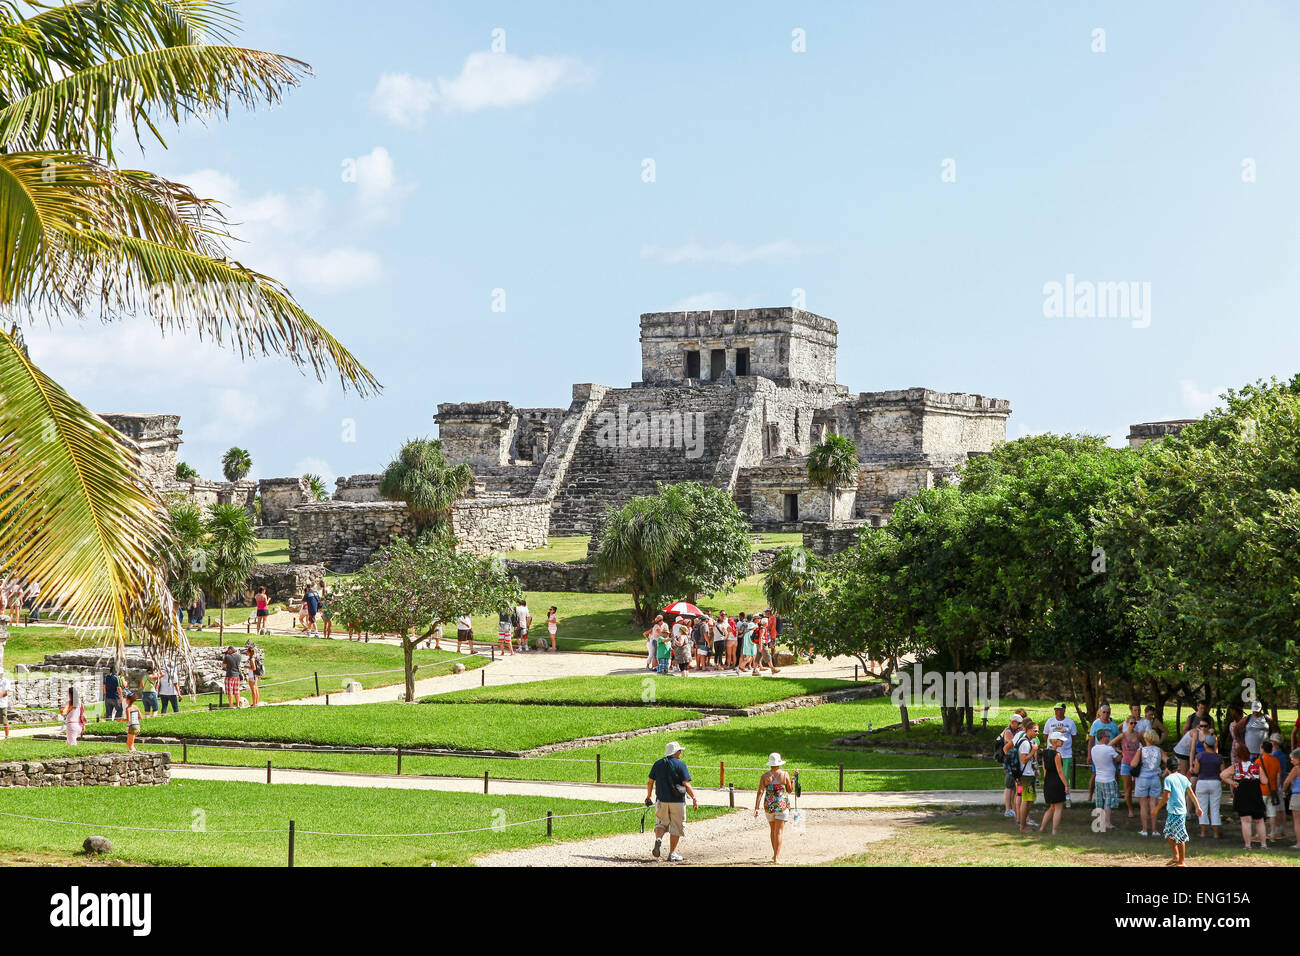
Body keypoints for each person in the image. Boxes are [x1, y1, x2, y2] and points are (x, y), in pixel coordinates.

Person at [645, 741, 697, 862]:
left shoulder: (657, 764)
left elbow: (650, 782)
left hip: (661, 801)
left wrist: (649, 796)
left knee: (660, 824)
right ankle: (672, 853)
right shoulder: (681, 765)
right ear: (675, 752)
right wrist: (694, 798)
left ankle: (659, 839)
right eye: (680, 750)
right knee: (676, 826)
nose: (681, 752)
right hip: (677, 801)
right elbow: (686, 784)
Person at [1154, 755, 1201, 867]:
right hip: (1173, 811)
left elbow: (1166, 797)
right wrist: (1197, 807)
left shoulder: (1168, 779)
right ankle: (1176, 857)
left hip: (1178, 812)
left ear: (1167, 767)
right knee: (1168, 833)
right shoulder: (1183, 778)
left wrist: (1156, 809)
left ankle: (1182, 861)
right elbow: (1191, 794)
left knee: (1180, 836)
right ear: (1178, 767)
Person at [1222, 742, 1267, 850]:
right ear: (1249, 754)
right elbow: (1265, 781)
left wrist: (1232, 782)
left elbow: (1222, 775)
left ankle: (1248, 845)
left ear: (1238, 755)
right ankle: (1263, 845)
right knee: (1259, 821)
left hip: (1242, 796)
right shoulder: (1256, 767)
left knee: (1245, 821)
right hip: (1255, 796)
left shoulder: (1236, 767)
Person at [754, 753, 797, 863]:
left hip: (769, 806)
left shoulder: (764, 776)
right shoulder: (784, 775)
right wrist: (793, 778)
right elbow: (790, 790)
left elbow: (760, 792)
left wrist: (756, 808)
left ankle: (774, 855)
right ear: (779, 763)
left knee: (773, 831)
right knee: (779, 832)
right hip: (782, 806)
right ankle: (776, 857)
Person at [1043, 703, 1077, 807]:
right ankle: (1054, 795)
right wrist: (1051, 744)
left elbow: (1074, 737)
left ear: (1064, 710)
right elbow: (1045, 735)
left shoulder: (1070, 722)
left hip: (1065, 753)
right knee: (1052, 774)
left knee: (1065, 775)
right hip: (1052, 753)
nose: (1058, 711)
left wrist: (1067, 745)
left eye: (1060, 709)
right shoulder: (1050, 721)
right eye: (1056, 709)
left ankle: (1066, 796)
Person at [1132, 729, 1165, 836]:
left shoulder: (1141, 750)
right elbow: (1169, 761)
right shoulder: (1159, 750)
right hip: (1155, 778)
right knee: (1153, 804)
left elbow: (1133, 764)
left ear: (1146, 739)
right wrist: (1164, 773)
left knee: (1143, 805)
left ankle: (1145, 830)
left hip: (1142, 779)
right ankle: (1154, 830)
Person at [1190, 734, 1223, 839]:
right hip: (1215, 783)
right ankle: (1216, 833)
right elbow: (1223, 772)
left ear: (1205, 744)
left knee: (1202, 808)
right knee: (1215, 809)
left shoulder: (1199, 756)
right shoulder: (1219, 757)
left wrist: (1193, 769)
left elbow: (1196, 771)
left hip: (1202, 782)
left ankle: (1203, 833)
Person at [1086, 704, 1120, 801]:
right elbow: (1091, 739)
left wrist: (1117, 749)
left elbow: (1118, 738)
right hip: (1099, 753)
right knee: (1095, 774)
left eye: (1108, 712)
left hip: (1111, 753)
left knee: (1115, 774)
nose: (1106, 714)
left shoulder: (1113, 725)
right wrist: (1089, 754)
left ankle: (1115, 794)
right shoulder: (1096, 724)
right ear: (1100, 713)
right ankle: (1090, 794)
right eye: (1104, 712)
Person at [1091, 727, 1121, 831]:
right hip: (1108, 779)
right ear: (1103, 737)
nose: (1109, 738)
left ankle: (1100, 822)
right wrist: (1117, 750)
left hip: (1098, 779)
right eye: (1108, 736)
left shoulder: (1093, 749)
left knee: (1099, 802)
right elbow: (1118, 758)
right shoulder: (1109, 749)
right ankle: (1107, 823)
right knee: (1108, 802)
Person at [1040, 732, 1068, 834]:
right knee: (1058, 807)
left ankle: (1042, 828)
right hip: (1057, 782)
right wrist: (1066, 785)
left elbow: (1045, 770)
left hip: (1048, 781)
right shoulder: (1057, 755)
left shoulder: (1045, 753)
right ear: (1056, 741)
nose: (1063, 742)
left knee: (1052, 807)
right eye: (1061, 740)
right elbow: (1060, 771)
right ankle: (1054, 830)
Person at [1016, 718, 1040, 833]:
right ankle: (1022, 826)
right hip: (1026, 775)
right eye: (1035, 731)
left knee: (1030, 800)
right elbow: (1024, 760)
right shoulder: (1025, 743)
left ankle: (1023, 823)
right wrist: (1033, 751)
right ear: (1029, 730)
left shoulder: (1030, 742)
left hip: (1030, 774)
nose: (1037, 733)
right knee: (1026, 801)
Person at [1000, 712, 1025, 818]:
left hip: (1016, 762)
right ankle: (1008, 809)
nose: (1019, 725)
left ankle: (1014, 807)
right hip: (1010, 763)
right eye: (1018, 723)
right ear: (1013, 722)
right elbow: (1013, 743)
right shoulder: (1008, 732)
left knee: (1016, 786)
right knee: (1009, 786)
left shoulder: (1016, 731)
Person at [1258, 737, 1283, 841]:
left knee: (1259, 814)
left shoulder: (1258, 761)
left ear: (1263, 749)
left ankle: (1259, 834)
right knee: (1272, 814)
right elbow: (1278, 777)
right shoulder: (1276, 761)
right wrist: (1276, 789)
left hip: (1261, 790)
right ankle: (1272, 833)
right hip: (1272, 791)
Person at [1118, 714, 1142, 818]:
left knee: (1139, 787)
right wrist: (1120, 752)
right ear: (1127, 724)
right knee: (1127, 788)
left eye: (1135, 723)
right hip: (1126, 764)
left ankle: (1142, 808)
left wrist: (1140, 755)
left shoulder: (1138, 735)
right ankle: (1130, 809)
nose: (1133, 725)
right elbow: (1111, 744)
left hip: (1136, 764)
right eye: (1131, 723)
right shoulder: (1123, 735)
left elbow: (1145, 746)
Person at [1282, 749, 1300, 850]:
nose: (1291, 761)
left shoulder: (1296, 769)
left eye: (1292, 759)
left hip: (1297, 797)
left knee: (1297, 821)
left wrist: (1283, 791)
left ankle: (1299, 843)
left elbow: (1286, 782)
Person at [245, 643, 262, 707]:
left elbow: (254, 668)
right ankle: (256, 702)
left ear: (249, 652)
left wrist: (247, 667)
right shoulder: (253, 658)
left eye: (247, 651)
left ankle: (254, 703)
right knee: (256, 688)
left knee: (253, 689)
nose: (247, 652)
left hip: (252, 675)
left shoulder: (251, 659)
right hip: (254, 676)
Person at [0, 666, 11, 738]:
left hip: (3, 703)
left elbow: (6, 692)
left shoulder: (6, 681)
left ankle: (7, 735)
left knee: (4, 719)